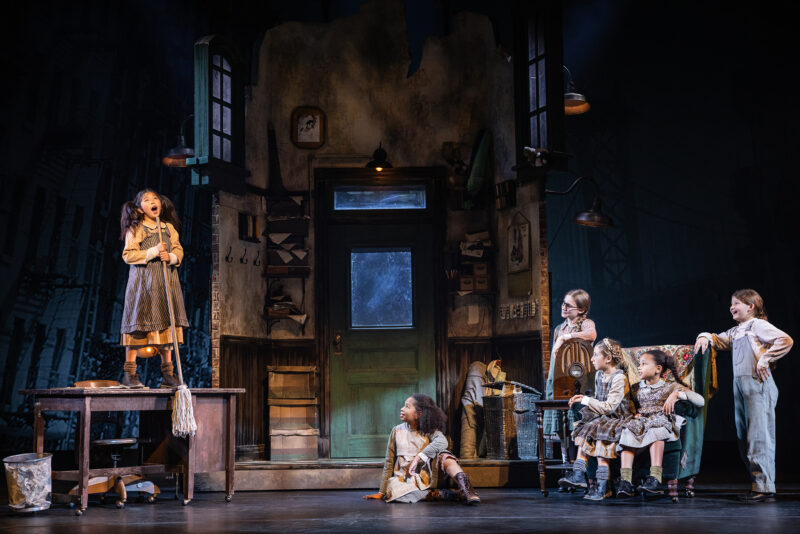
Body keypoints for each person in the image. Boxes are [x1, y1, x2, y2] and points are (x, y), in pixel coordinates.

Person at [694, 289, 793, 503]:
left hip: (757, 384)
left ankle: (764, 487)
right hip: (740, 385)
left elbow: (785, 340)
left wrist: (765, 359)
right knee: (744, 436)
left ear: (751, 306)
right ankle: (757, 483)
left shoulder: (757, 325)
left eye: (736, 303)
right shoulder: (737, 330)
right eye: (731, 303)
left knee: (759, 436)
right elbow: (718, 340)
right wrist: (704, 336)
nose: (732, 307)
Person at [119, 189, 189, 388]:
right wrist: (153, 251)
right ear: (140, 208)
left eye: (155, 198)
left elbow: (177, 248)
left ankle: (168, 374)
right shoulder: (137, 228)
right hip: (143, 286)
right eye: (147, 200)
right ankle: (130, 374)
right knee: (137, 325)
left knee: (167, 325)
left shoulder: (168, 228)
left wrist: (172, 257)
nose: (153, 201)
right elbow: (129, 255)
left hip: (165, 283)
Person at [616, 350, 705, 497]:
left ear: (658, 369)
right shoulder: (636, 388)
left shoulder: (670, 387)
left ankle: (655, 477)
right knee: (627, 431)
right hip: (642, 422)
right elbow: (628, 405)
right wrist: (633, 414)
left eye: (644, 364)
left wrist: (677, 394)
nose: (639, 367)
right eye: (639, 364)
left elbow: (700, 401)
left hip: (660, 421)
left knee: (655, 430)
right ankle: (625, 481)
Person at [363, 394, 480, 504]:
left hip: (428, 477)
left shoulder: (429, 431)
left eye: (407, 406)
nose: (402, 409)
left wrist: (418, 457)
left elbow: (442, 442)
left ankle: (467, 488)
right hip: (407, 480)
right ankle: (442, 494)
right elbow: (389, 463)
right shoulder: (397, 431)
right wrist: (381, 492)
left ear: (419, 414)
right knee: (392, 493)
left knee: (445, 455)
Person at [558, 338, 636, 501]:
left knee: (599, 433)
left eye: (595, 355)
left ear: (608, 359)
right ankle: (579, 473)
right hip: (605, 417)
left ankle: (602, 486)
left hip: (619, 417)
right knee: (586, 426)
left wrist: (586, 400)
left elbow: (609, 406)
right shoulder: (600, 375)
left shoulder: (619, 378)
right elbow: (600, 399)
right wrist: (584, 397)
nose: (592, 359)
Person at [544, 290, 597, 437]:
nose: (564, 307)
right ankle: (564, 456)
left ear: (581, 310)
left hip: (578, 376)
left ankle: (578, 455)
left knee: (577, 415)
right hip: (559, 376)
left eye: (568, 305)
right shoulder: (559, 329)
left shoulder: (586, 324)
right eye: (563, 304)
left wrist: (566, 337)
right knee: (559, 419)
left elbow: (591, 335)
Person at [459, 359, 505, 459]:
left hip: (476, 406)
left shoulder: (484, 371)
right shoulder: (477, 367)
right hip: (471, 407)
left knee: (470, 451)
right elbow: (477, 395)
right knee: (467, 452)